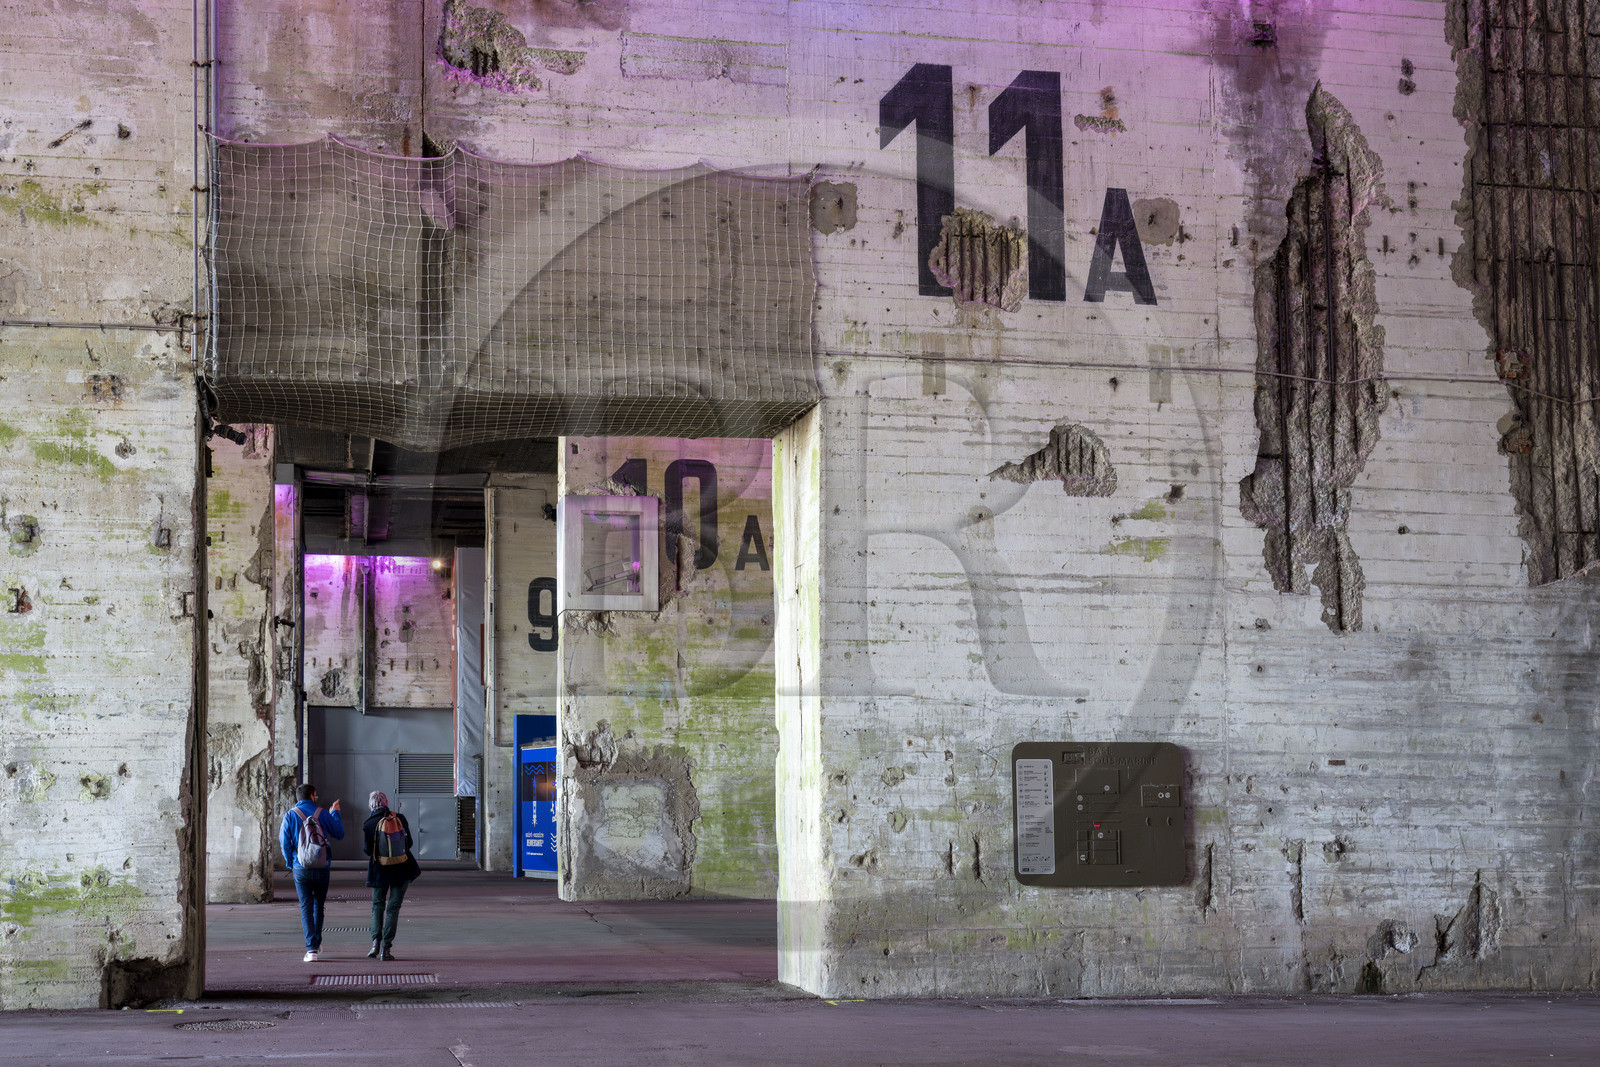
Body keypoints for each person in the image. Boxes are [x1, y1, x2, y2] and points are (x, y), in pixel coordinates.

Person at [279, 784, 344, 963]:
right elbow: (339, 834)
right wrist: (335, 813)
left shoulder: (290, 815)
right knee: (318, 906)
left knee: (306, 907)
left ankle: (311, 950)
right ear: (313, 795)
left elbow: (284, 842)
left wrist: (290, 863)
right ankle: (317, 941)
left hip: (300, 868)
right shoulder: (322, 813)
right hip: (322, 867)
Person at [362, 791, 420, 961]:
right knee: (393, 908)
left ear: (371, 805)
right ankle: (386, 949)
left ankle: (375, 944)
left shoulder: (369, 823)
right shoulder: (399, 818)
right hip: (401, 869)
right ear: (386, 802)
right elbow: (409, 843)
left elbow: (367, 850)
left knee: (377, 906)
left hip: (379, 870)